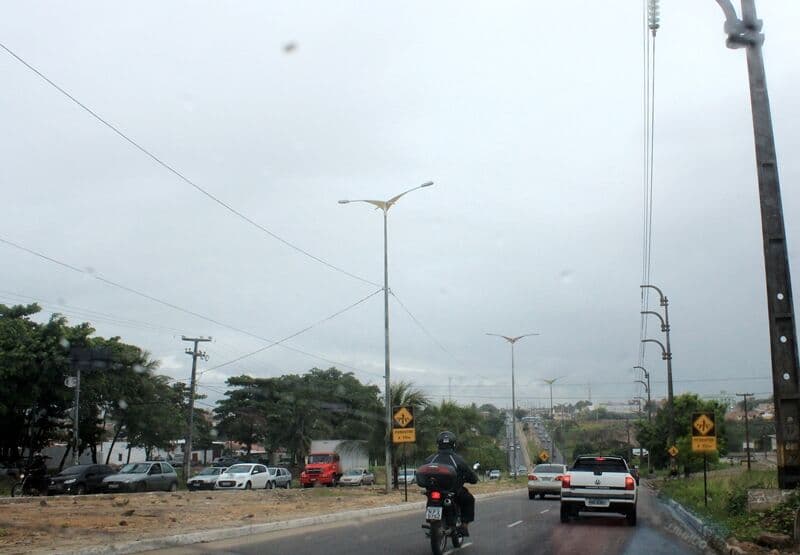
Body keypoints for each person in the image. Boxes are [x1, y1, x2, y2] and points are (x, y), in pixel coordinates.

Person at [423, 431, 478, 536]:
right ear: (453, 444)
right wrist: (472, 479)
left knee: (430, 497)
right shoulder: (458, 460)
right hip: (453, 491)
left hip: (434, 491)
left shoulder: (430, 459)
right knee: (469, 499)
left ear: (438, 444)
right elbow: (472, 477)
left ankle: (433, 521)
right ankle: (464, 526)